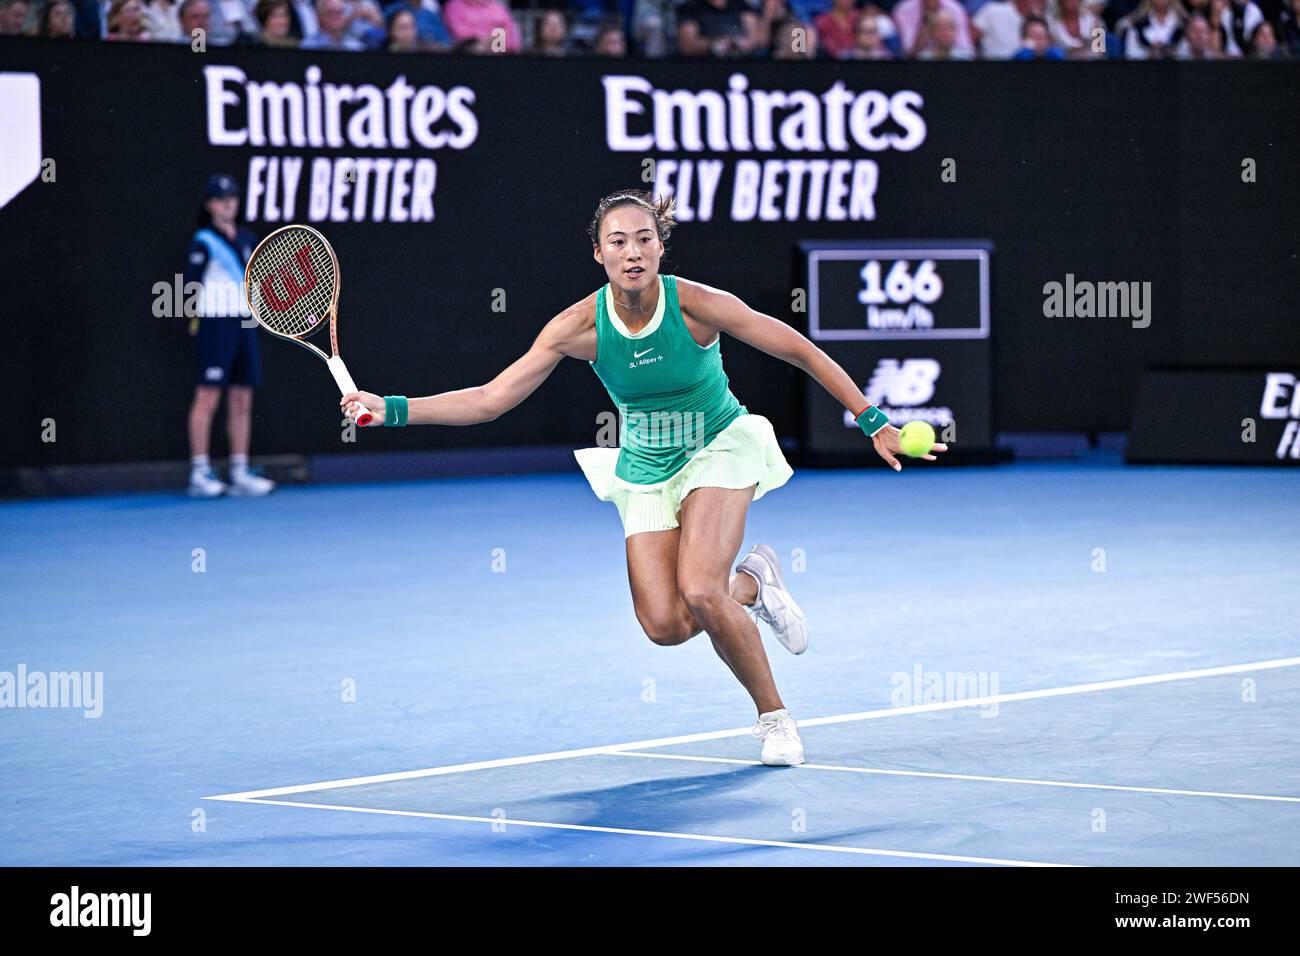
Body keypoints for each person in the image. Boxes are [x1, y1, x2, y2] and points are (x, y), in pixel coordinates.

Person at [337, 191, 946, 766]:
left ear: (660, 248)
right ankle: (754, 586)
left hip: (718, 446)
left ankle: (775, 719)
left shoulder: (697, 304)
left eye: (644, 239)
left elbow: (799, 349)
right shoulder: (576, 327)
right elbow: (491, 399)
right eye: (618, 241)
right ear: (599, 253)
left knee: (701, 589)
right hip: (648, 464)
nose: (632, 251)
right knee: (666, 624)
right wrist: (390, 407)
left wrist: (873, 420)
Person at [184, 175, 277, 499]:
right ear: (209, 205)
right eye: (221, 199)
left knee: (242, 398)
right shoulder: (204, 241)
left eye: (232, 198)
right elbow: (189, 287)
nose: (228, 203)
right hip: (214, 324)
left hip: (245, 324)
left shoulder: (248, 239)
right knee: (207, 397)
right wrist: (195, 320)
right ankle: (199, 472)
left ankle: (239, 470)